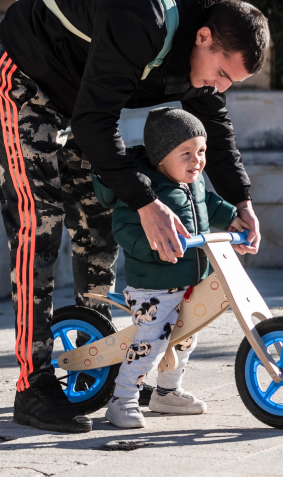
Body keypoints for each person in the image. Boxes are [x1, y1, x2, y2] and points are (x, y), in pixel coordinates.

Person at [0, 0, 270, 433]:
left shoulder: (210, 38)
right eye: (221, 74)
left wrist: (243, 202)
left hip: (78, 102)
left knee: (98, 222)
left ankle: (100, 365)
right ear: (204, 38)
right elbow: (97, 121)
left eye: (231, 82)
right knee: (38, 225)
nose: (221, 86)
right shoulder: (143, 17)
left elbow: (215, 123)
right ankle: (33, 385)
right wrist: (148, 203)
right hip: (20, 77)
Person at [93, 107, 250, 429]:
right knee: (151, 341)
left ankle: (167, 391)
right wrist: (156, 248)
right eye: (187, 153)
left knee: (186, 338)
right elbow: (124, 229)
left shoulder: (192, 183)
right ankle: (122, 400)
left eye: (202, 151)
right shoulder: (144, 189)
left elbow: (209, 204)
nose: (197, 160)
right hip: (153, 286)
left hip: (191, 280)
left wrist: (232, 217)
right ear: (161, 157)